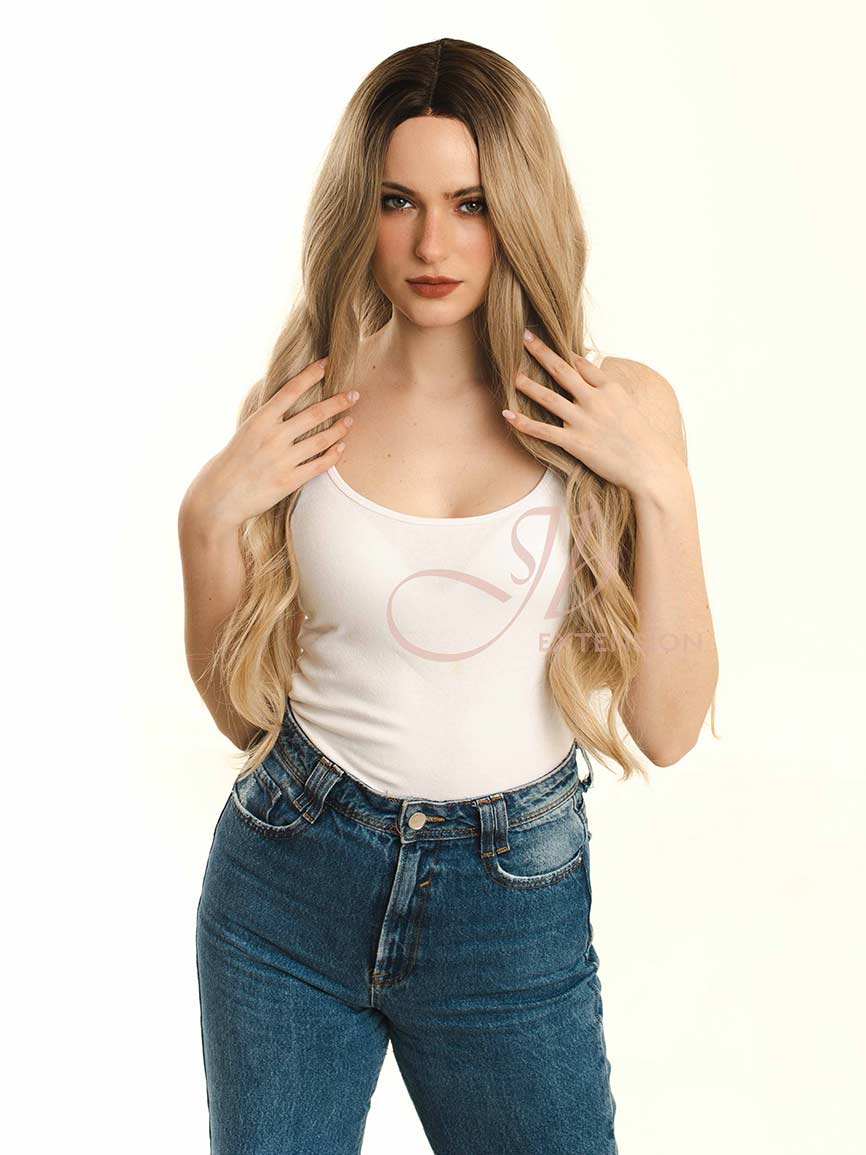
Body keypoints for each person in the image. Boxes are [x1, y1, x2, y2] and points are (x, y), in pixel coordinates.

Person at [179, 37, 719, 1155]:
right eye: (399, 202)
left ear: (517, 205)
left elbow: (667, 728)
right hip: (288, 880)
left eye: (470, 204)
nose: (433, 245)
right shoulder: (303, 401)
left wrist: (659, 488)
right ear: (360, 210)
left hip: (507, 908)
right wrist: (206, 516)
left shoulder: (613, 406)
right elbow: (242, 716)